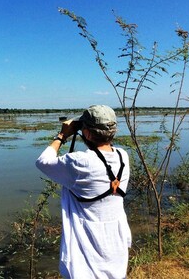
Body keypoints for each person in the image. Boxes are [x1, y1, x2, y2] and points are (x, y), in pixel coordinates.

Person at [35, 105, 131, 279]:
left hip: (87, 251)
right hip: (115, 244)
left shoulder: (80, 162)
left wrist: (62, 135)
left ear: (86, 134)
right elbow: (103, 154)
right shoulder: (123, 156)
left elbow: (43, 161)